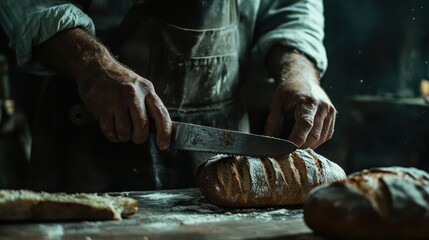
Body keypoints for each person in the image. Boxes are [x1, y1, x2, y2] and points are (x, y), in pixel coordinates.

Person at [0, 0, 336, 192]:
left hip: (223, 158)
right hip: (84, 148)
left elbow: (291, 6)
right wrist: (95, 66)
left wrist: (300, 72)